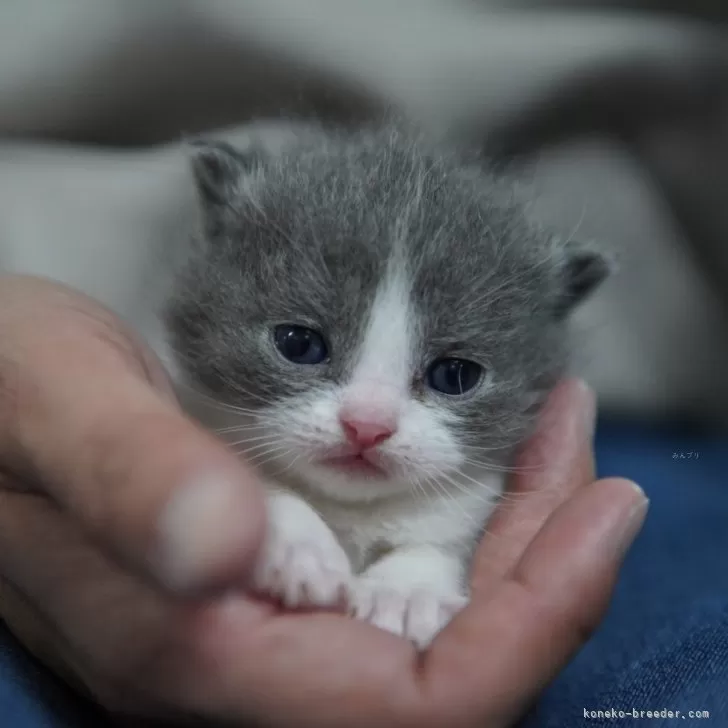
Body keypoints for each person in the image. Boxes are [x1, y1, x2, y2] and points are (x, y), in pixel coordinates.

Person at [0, 274, 647, 727]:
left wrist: (424, 564)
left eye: (452, 377)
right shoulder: (207, 406)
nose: (368, 421)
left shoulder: (470, 483)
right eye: (301, 345)